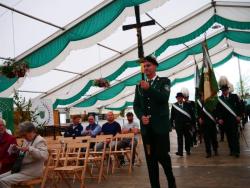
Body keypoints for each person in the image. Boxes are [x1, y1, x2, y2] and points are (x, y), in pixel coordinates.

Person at [133, 55, 176, 188]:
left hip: (160, 129)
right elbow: (136, 105)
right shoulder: (139, 86)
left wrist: (149, 88)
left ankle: (171, 182)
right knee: (151, 160)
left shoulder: (164, 81)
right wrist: (141, 117)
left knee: (163, 157)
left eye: (148, 65)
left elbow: (164, 98)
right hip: (147, 130)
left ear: (155, 66)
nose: (146, 68)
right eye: (144, 66)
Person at [0, 121, 48, 188]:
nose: (24, 137)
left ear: (32, 131)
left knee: (3, 181)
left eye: (25, 135)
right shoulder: (27, 140)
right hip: (22, 169)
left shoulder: (40, 140)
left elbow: (44, 156)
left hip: (32, 171)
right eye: (23, 135)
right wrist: (16, 150)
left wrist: (29, 149)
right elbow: (24, 154)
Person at [216, 77, 242, 158]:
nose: (224, 92)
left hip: (234, 120)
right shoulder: (219, 99)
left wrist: (239, 116)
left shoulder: (234, 96)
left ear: (228, 89)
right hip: (225, 121)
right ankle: (231, 150)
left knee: (235, 136)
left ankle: (236, 151)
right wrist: (219, 118)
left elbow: (240, 107)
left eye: (225, 90)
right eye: (223, 91)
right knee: (229, 137)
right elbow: (218, 110)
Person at [170, 92, 195, 156]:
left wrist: (192, 123)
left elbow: (192, 114)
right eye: (178, 98)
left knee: (187, 138)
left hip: (187, 124)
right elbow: (172, 116)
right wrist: (171, 124)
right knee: (179, 138)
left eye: (180, 97)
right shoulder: (174, 105)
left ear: (183, 98)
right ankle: (180, 152)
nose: (179, 99)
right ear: (177, 98)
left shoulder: (187, 104)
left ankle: (188, 150)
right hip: (178, 125)